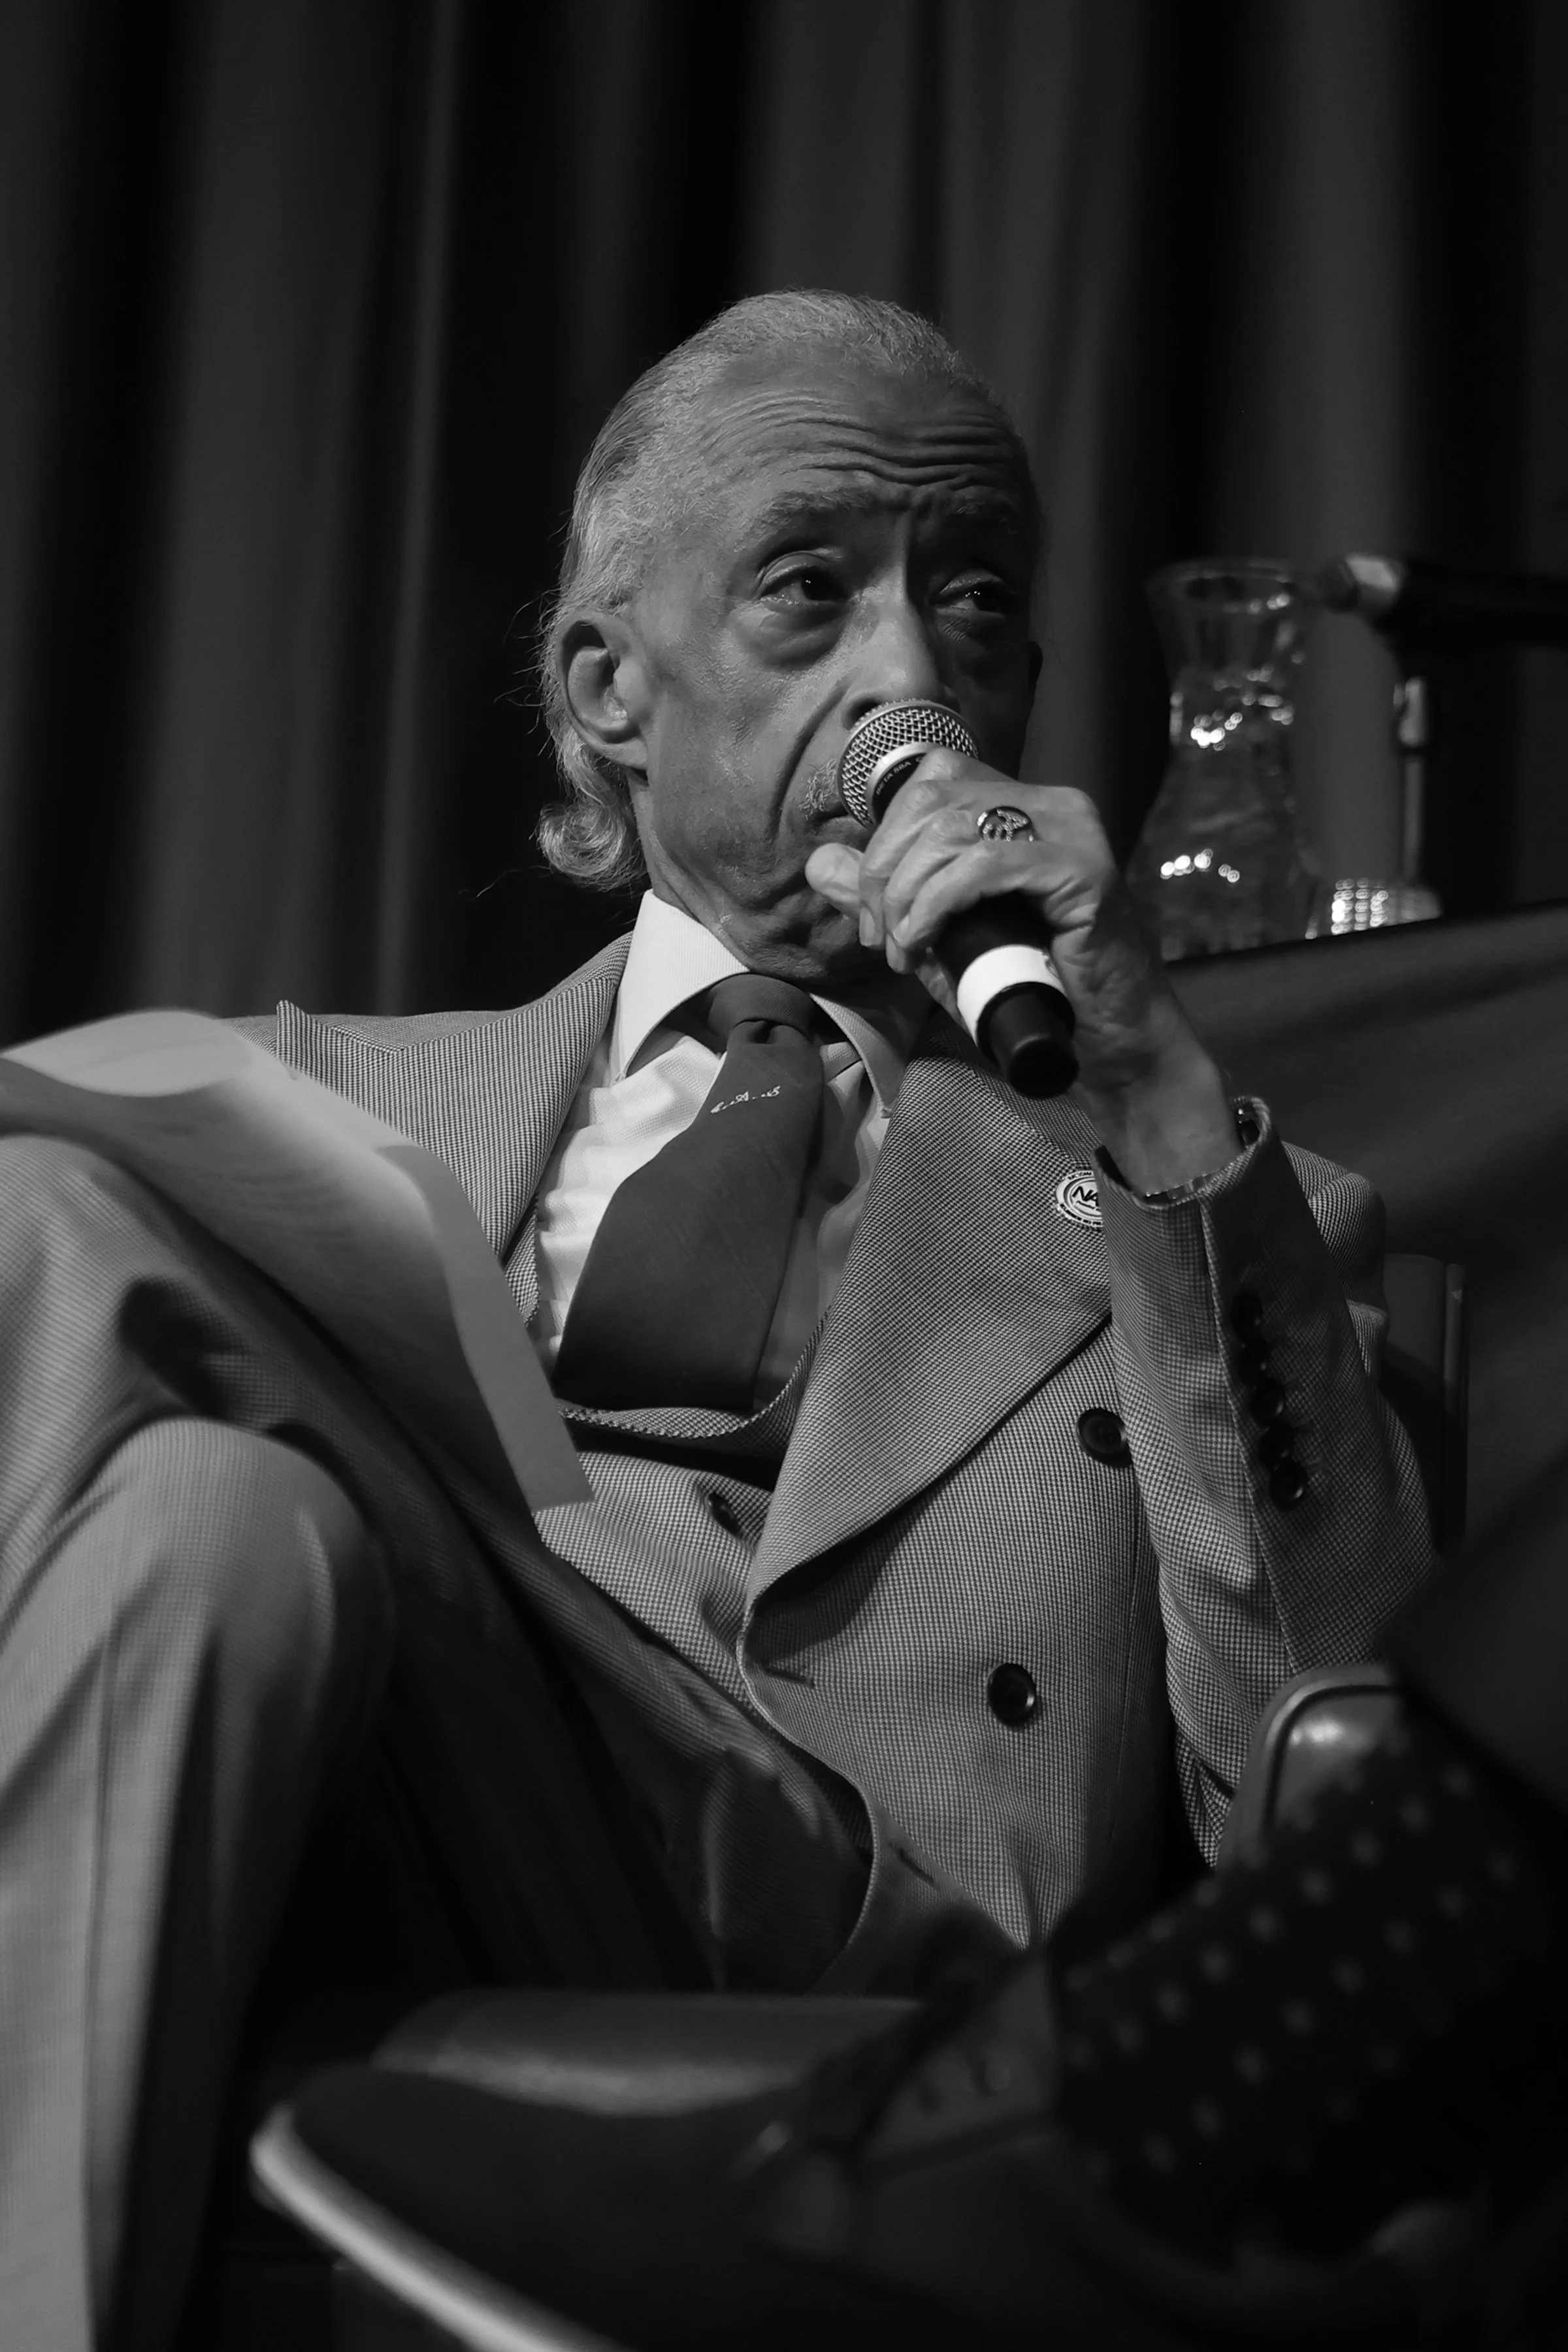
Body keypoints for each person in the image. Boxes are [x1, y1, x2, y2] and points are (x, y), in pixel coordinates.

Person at [0, 289, 1429, 2349]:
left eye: (977, 606)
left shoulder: (1190, 1213)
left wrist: (1154, 1100)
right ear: (609, 687)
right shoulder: (310, 1095)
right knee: (214, 1526)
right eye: (811, 590)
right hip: (365, 1802)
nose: (912, 675)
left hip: (843, 1931)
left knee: (54, 1211)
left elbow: (1350, 1809)